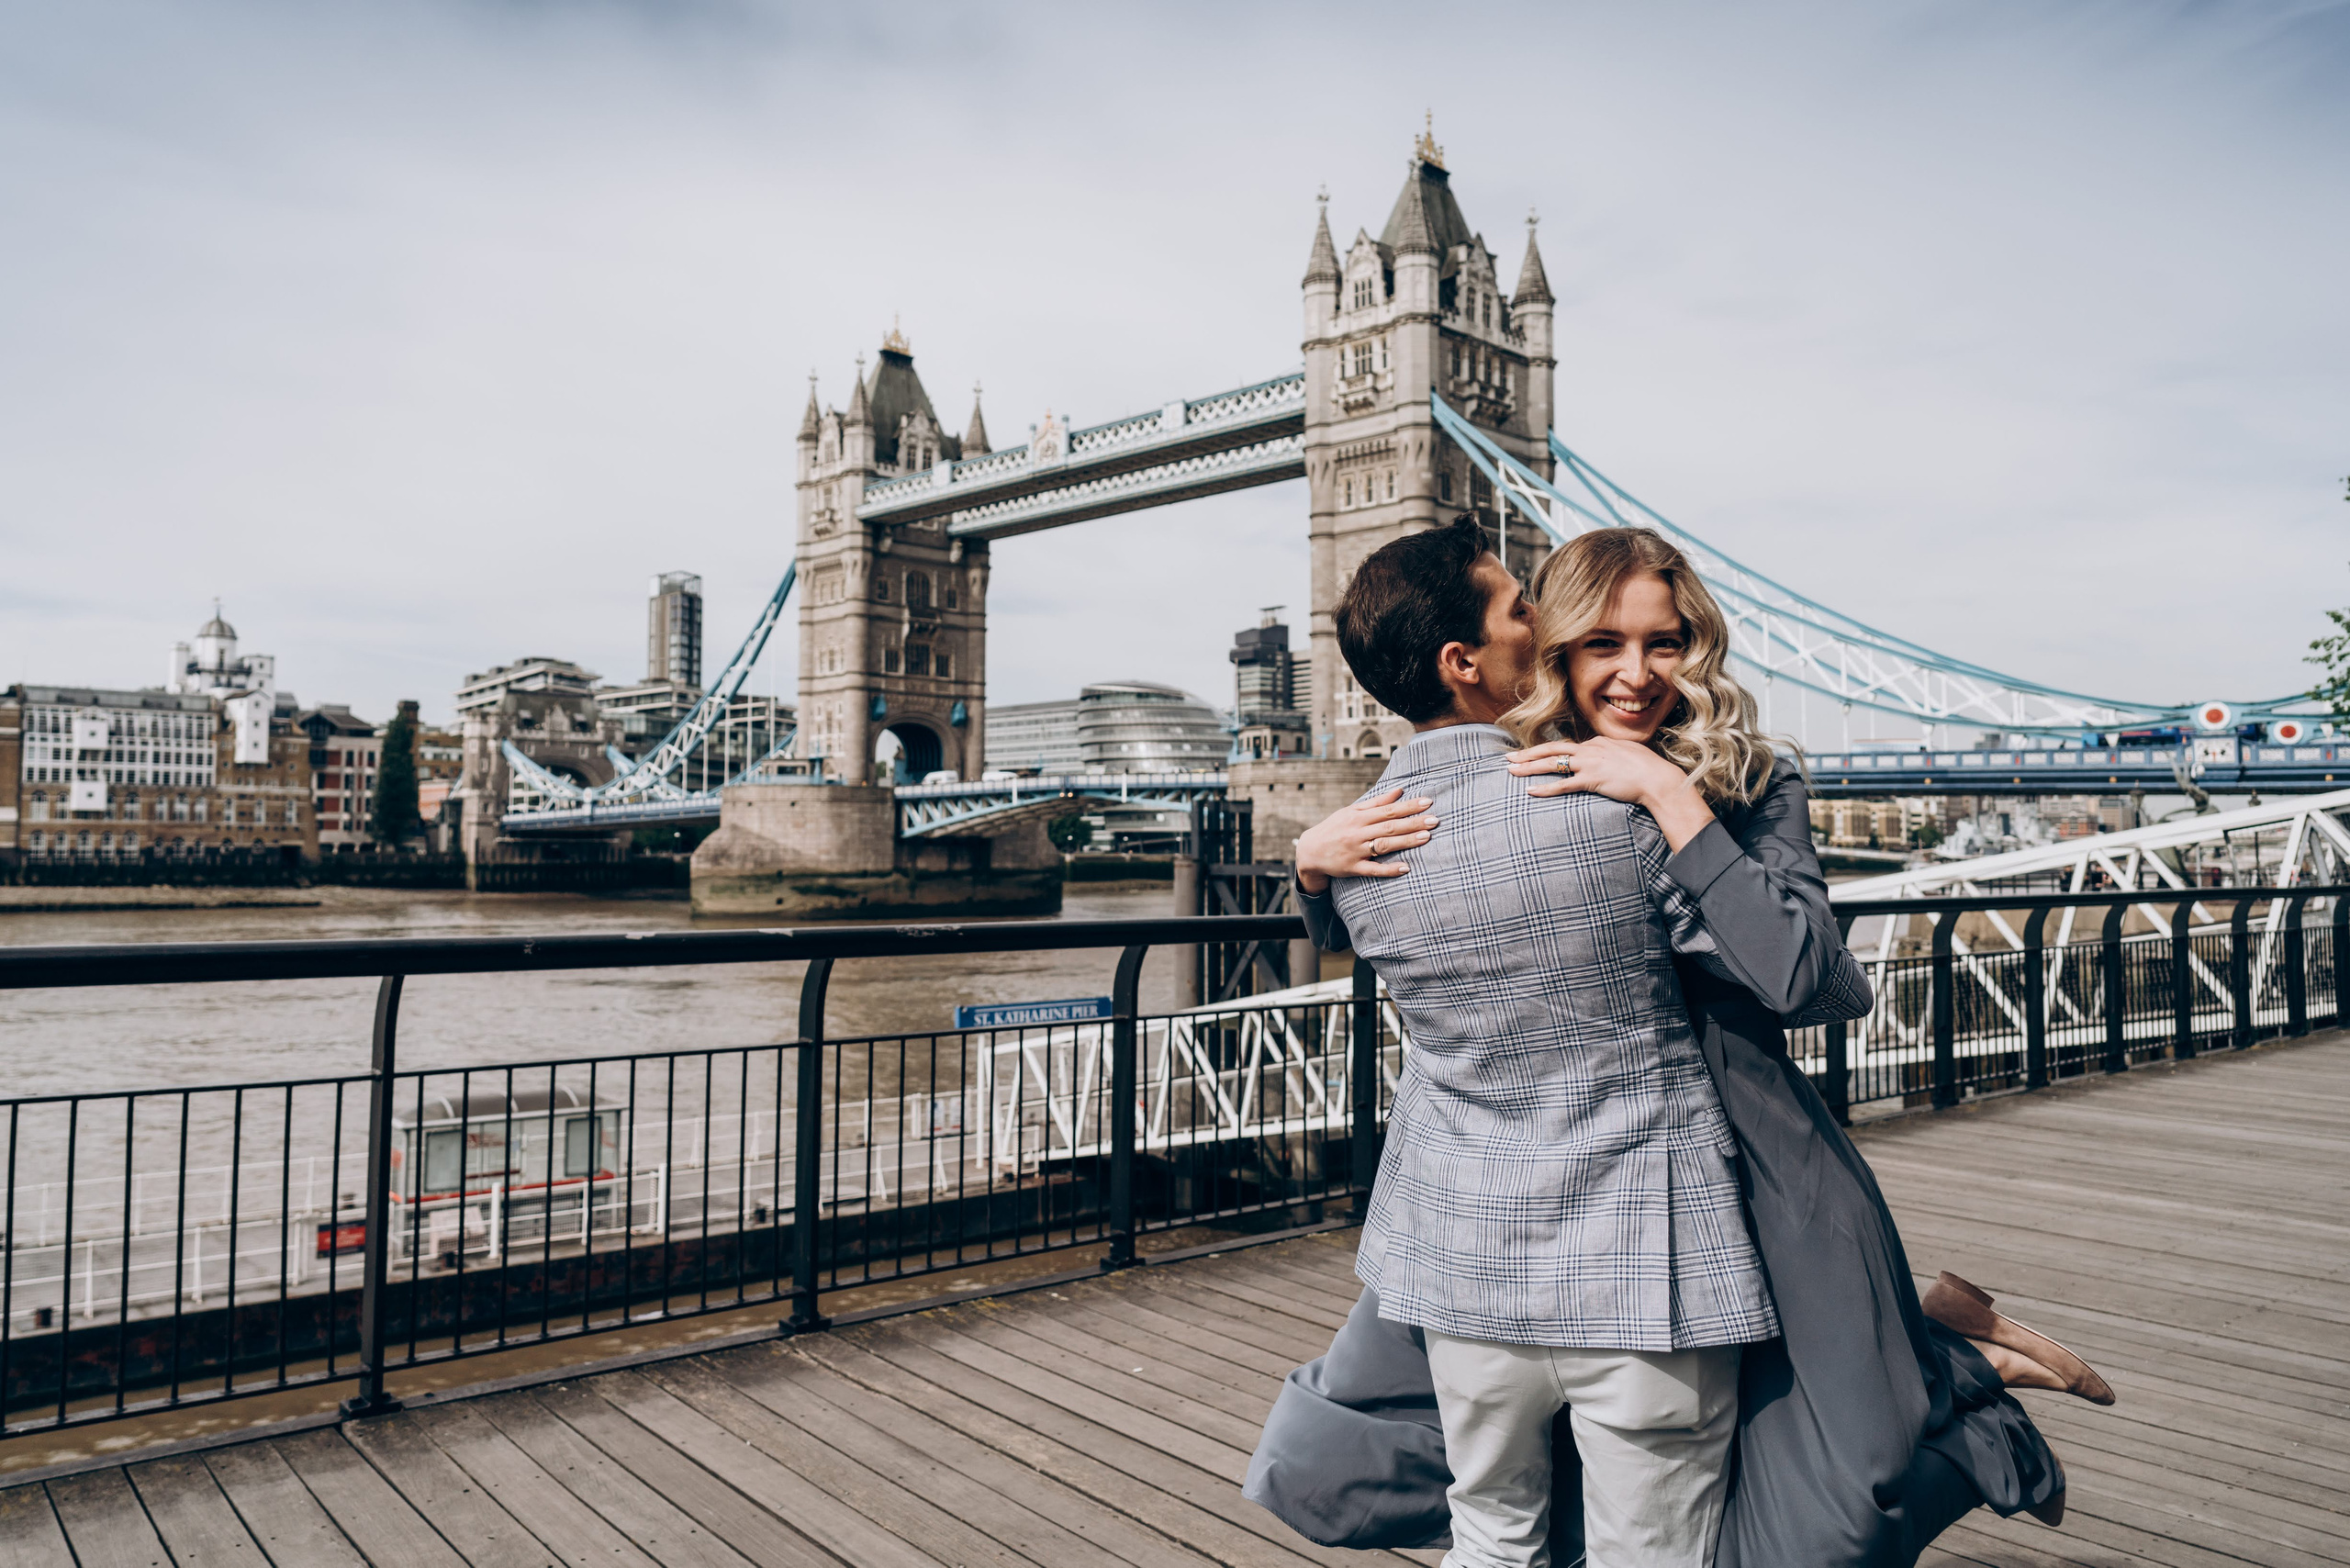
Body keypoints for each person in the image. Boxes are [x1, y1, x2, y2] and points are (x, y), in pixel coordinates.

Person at [1245, 524, 2106, 1567]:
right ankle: (1935, 1349)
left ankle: (1957, 1371)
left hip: (1736, 1148)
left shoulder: (1747, 782)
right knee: (1369, 1464)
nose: (1638, 673)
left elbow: (1820, 984)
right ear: (1549, 647)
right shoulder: (1520, 776)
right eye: (1601, 643)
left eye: (1665, 642)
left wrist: (1669, 795)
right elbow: (1443, 930)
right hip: (1510, 1199)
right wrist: (1313, 871)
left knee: (1828, 1516)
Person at [1244, 515, 1780, 1568]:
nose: (1544, 623)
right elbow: (1799, 978)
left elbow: (1343, 930)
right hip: (1643, 1262)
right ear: (1464, 660)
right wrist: (1675, 793)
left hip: (1466, 1269)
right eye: (1521, 609)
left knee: (1489, 1535)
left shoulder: (1353, 855)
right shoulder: (1617, 807)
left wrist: (1305, 870)